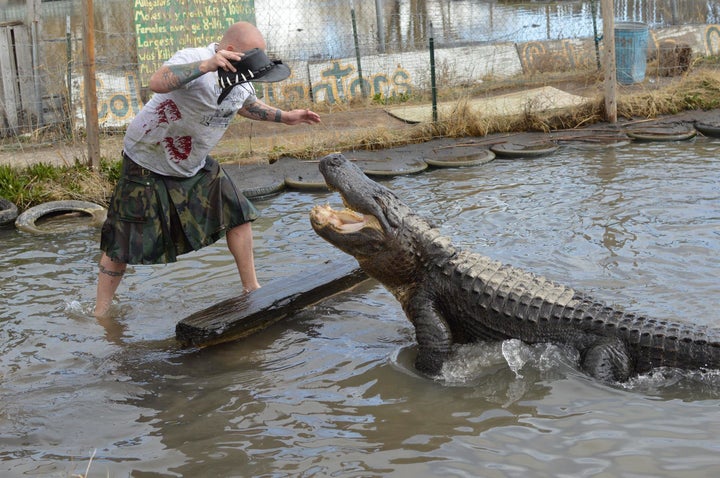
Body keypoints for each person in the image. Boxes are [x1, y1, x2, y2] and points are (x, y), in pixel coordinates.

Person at [94, 21, 321, 317]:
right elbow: (157, 82)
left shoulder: (241, 77)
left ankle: (253, 290)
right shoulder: (193, 58)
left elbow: (245, 104)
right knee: (121, 244)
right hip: (147, 160)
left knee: (239, 213)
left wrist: (285, 117)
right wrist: (206, 65)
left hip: (193, 163)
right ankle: (100, 315)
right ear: (228, 51)